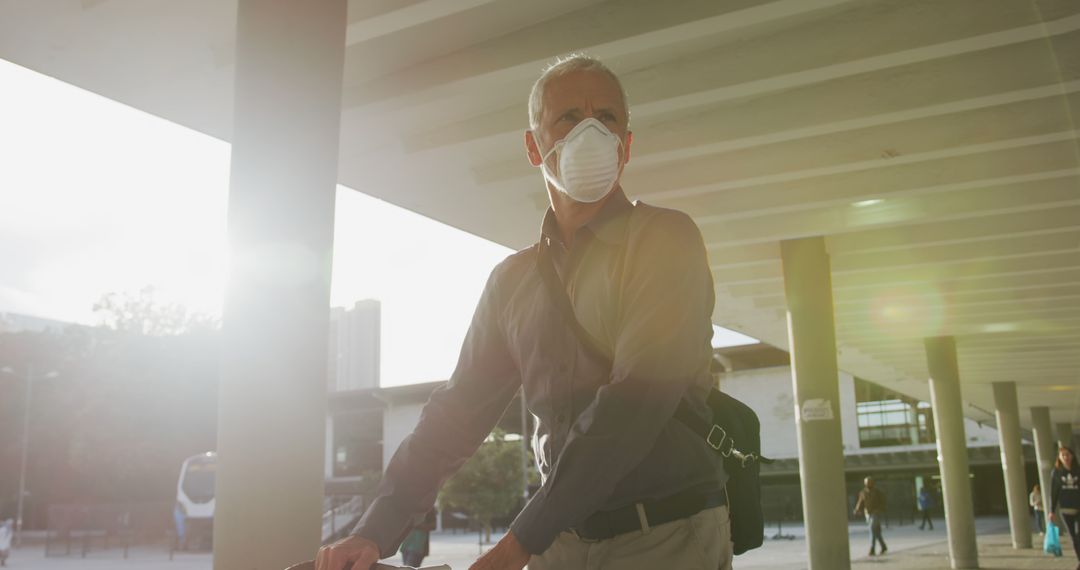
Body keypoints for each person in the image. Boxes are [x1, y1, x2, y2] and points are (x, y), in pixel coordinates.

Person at [314, 54, 730, 570]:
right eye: (570, 119)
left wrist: (519, 544)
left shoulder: (666, 240)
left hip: (662, 537)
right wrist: (373, 532)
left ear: (627, 145)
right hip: (558, 541)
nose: (591, 133)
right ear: (534, 146)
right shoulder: (512, 282)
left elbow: (636, 402)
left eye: (608, 118)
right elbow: (456, 414)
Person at [1048, 446, 1080, 568]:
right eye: (1063, 455)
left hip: (1078, 509)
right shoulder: (1056, 473)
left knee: (1079, 535)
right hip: (1065, 511)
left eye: (1068, 454)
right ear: (1060, 458)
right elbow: (1053, 492)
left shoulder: (1078, 470)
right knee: (1074, 538)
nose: (1066, 457)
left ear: (1072, 456)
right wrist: (1051, 511)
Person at [854, 477, 887, 556]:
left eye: (870, 482)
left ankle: (872, 548)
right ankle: (883, 546)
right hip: (868, 513)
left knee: (872, 529)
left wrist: (879, 509)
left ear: (873, 483)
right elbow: (860, 502)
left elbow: (883, 502)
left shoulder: (877, 492)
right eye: (867, 482)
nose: (868, 483)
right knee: (877, 532)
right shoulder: (863, 492)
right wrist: (857, 509)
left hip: (876, 513)